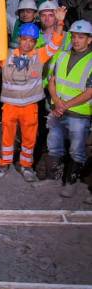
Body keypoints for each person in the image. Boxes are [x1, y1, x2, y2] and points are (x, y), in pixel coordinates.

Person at [0, 17, 65, 183]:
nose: (27, 44)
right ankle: (4, 163)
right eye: (24, 40)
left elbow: (54, 45)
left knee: (29, 138)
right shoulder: (7, 56)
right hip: (10, 106)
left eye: (31, 41)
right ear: (19, 39)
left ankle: (26, 165)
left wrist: (59, 23)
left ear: (35, 42)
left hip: (29, 107)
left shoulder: (39, 56)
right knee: (7, 137)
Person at [46, 19, 92, 197]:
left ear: (89, 39)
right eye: (74, 36)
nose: (76, 40)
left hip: (78, 114)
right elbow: (52, 81)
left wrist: (64, 106)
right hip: (58, 110)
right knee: (54, 145)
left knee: (76, 149)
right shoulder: (62, 55)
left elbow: (89, 92)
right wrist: (57, 101)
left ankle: (71, 182)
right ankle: (54, 179)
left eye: (81, 37)